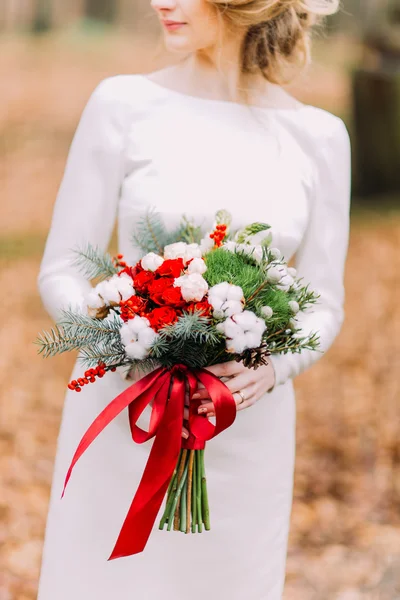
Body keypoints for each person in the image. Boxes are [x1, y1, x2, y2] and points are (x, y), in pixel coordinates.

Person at [36, 0, 351, 598]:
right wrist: (123, 341)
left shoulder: (320, 138)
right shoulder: (122, 104)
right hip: (126, 409)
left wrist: (273, 368)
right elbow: (60, 268)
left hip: (243, 424)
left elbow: (323, 301)